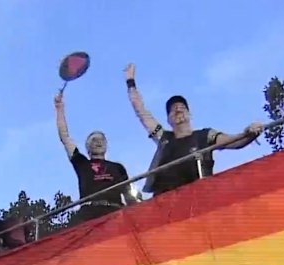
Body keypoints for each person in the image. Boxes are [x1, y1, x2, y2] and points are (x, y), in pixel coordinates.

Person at [123, 63, 264, 197]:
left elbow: (234, 142)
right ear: (168, 120)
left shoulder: (205, 136)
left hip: (198, 198)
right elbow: (141, 112)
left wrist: (250, 133)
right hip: (164, 202)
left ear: (190, 114)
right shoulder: (163, 137)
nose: (178, 109)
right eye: (173, 110)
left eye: (182, 108)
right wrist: (130, 82)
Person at [55, 91, 137, 223]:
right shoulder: (82, 163)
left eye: (101, 140)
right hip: (89, 215)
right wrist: (60, 109)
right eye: (94, 140)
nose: (98, 142)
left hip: (115, 214)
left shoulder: (118, 167)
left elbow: (129, 195)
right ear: (87, 147)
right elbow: (64, 137)